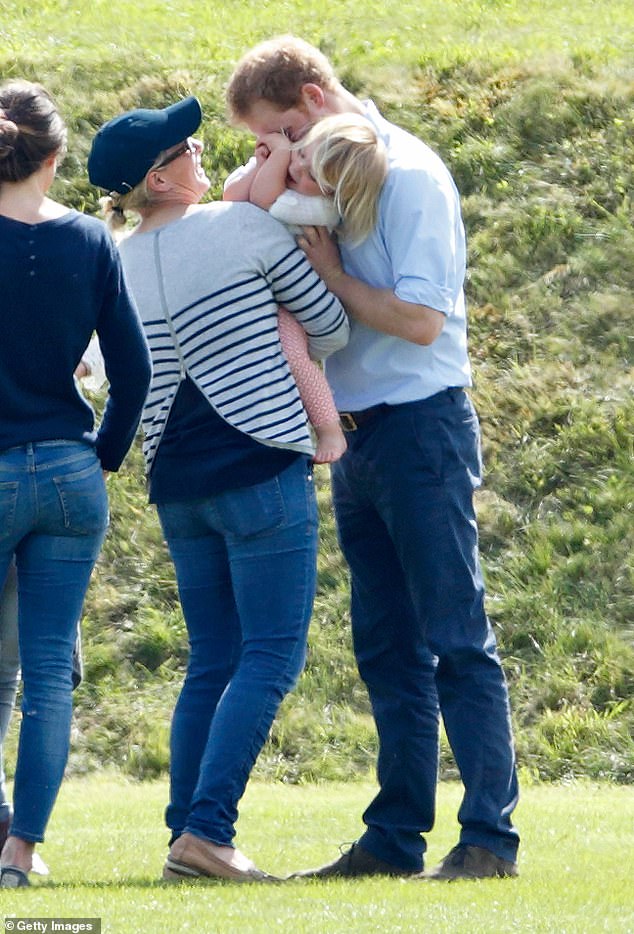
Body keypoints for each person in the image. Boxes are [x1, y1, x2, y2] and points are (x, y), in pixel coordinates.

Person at [226, 35, 520, 881]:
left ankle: (489, 841)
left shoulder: (412, 178)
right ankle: (394, 840)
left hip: (422, 426)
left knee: (457, 638)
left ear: (315, 98)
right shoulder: (317, 178)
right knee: (386, 648)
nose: (278, 153)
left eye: (280, 130)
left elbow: (423, 320)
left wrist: (327, 275)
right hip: (357, 434)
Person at [87, 94, 348, 882]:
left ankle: (183, 832)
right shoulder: (243, 228)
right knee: (270, 654)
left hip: (174, 479)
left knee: (211, 660)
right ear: (162, 178)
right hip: (259, 462)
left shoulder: (115, 262)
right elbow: (328, 323)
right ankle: (207, 830)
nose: (201, 151)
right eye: (188, 147)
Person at [0, 79, 151, 887]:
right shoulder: (93, 240)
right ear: (54, 159)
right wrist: (106, 454)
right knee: (48, 671)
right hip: (67, 467)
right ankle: (23, 850)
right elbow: (135, 371)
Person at [223, 113, 388, 464]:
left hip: (292, 302)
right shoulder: (296, 180)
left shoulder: (316, 208)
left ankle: (329, 430)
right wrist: (264, 161)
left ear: (335, 192)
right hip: (264, 287)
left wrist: (280, 154)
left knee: (292, 354)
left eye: (312, 175)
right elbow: (233, 196)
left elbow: (262, 197)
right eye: (301, 155)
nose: (298, 170)